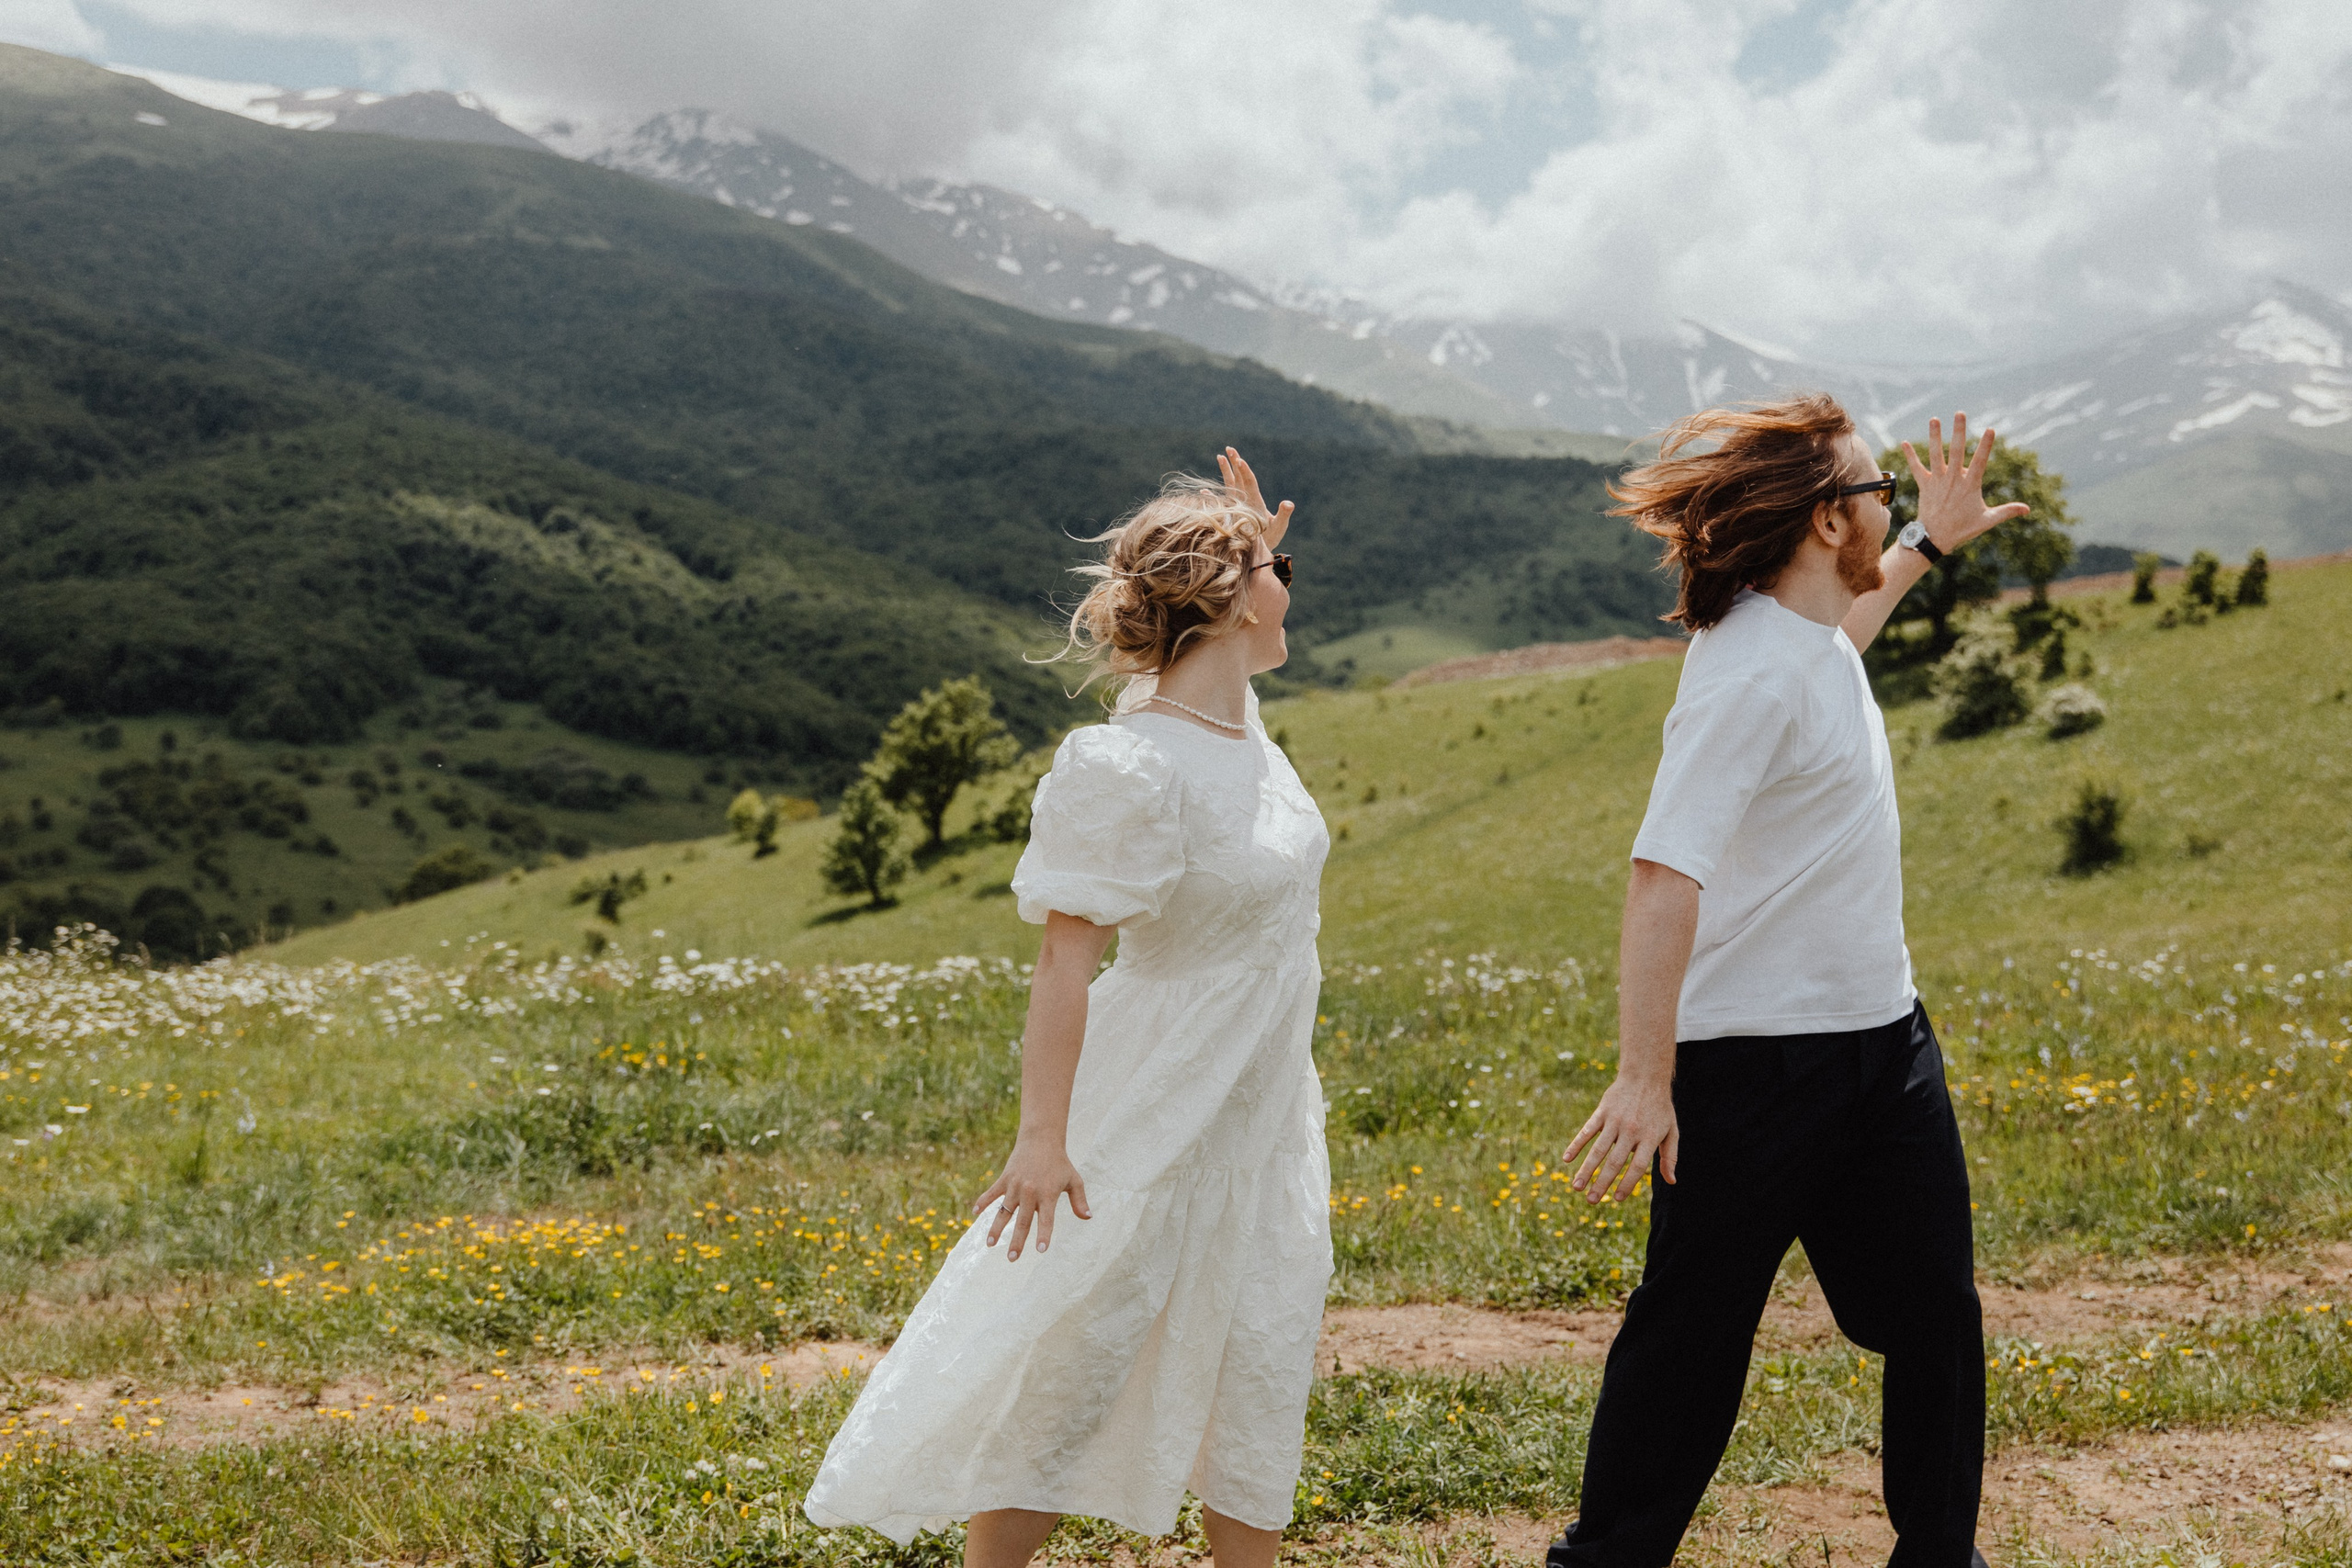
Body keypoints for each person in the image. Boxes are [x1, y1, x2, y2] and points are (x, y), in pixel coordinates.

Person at [803, 449, 1332, 1568]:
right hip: (1153, 1102)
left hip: (1263, 1108)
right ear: (1235, 601)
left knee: (1263, 1346)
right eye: (1275, 569)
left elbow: (1217, 690)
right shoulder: (1127, 763)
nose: (1293, 580)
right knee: (1079, 1359)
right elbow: (1063, 962)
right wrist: (1041, 1141)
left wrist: (1240, 537)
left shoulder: (1245, 732)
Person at [1547, 399, 2027, 1568]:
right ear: (1824, 522)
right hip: (1750, 1068)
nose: (1887, 508)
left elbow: (1843, 639)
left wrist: (1926, 546)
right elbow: (1663, 873)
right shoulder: (1745, 676)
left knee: (1934, 1318)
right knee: (1692, 1340)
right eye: (1876, 496)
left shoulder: (1806, 638)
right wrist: (1644, 1078)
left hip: (1882, 1046)